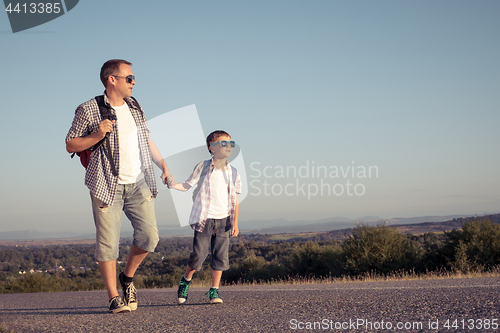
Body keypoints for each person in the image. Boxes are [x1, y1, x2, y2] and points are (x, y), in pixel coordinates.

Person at [65, 59, 174, 313]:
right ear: (112, 80)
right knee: (108, 243)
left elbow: (146, 139)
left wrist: (164, 167)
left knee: (149, 237)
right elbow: (70, 144)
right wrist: (97, 135)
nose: (134, 82)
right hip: (106, 184)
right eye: (129, 78)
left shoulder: (135, 106)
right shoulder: (89, 109)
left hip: (138, 183)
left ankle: (127, 278)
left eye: (133, 78)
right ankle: (114, 297)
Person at [170, 130, 241, 304]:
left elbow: (235, 200)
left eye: (230, 143)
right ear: (212, 148)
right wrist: (172, 184)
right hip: (204, 220)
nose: (229, 147)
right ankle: (185, 281)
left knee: (220, 256)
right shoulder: (202, 167)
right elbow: (187, 185)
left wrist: (235, 223)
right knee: (198, 255)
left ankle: (214, 291)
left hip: (224, 220)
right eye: (223, 143)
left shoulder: (233, 172)